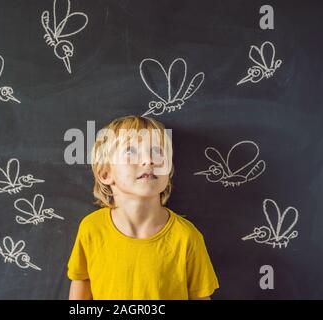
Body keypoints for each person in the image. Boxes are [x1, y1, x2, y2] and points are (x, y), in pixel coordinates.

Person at [67, 115, 219, 299]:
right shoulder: (91, 228)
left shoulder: (186, 237)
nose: (148, 160)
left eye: (157, 152)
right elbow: (82, 280)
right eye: (130, 151)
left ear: (168, 173)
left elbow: (200, 296)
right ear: (106, 173)